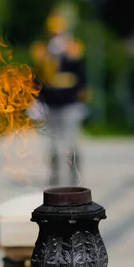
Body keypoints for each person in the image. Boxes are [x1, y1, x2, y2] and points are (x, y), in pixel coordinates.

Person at [31, 11, 88, 186]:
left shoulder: (74, 50)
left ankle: (74, 173)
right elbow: (38, 78)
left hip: (70, 100)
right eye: (54, 33)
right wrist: (35, 101)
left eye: (59, 33)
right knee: (53, 142)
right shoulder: (42, 52)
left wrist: (82, 99)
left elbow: (81, 75)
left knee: (71, 140)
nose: (56, 36)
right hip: (50, 101)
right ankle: (55, 173)